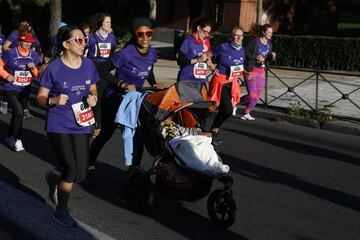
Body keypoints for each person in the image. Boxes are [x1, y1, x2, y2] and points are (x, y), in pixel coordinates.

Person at [36, 25, 99, 227]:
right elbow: (40, 98)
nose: (84, 43)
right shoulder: (53, 68)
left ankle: (57, 180)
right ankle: (61, 211)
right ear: (66, 44)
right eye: (79, 39)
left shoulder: (89, 64)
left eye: (84, 39)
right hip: (58, 123)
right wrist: (53, 101)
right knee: (71, 168)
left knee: (80, 173)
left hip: (81, 122)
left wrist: (93, 99)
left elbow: (93, 89)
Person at [86, 18, 162, 183]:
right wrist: (122, 84)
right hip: (114, 98)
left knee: (137, 136)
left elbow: (148, 70)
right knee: (106, 134)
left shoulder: (152, 53)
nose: (145, 37)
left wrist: (154, 83)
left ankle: (133, 173)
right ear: (135, 36)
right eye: (140, 34)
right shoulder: (126, 53)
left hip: (135, 99)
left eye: (148, 33)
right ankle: (89, 163)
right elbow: (102, 69)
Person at [0, 33, 41, 151]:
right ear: (19, 41)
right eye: (25, 41)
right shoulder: (11, 53)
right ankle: (17, 139)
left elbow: (38, 75)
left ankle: (9, 136)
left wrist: (33, 68)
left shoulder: (34, 55)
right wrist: (6, 75)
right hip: (11, 88)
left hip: (25, 90)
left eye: (30, 42)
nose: (28, 44)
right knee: (19, 112)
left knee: (18, 114)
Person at [208, 27, 245, 144]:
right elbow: (207, 55)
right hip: (220, 81)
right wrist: (212, 67)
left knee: (225, 109)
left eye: (241, 36)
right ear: (231, 36)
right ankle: (210, 131)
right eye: (236, 35)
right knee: (226, 109)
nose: (239, 38)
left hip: (232, 82)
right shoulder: (223, 47)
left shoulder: (242, 50)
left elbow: (239, 66)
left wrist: (245, 73)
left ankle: (213, 132)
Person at [86, 12, 118, 137]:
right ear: (101, 23)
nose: (110, 24)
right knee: (97, 98)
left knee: (106, 98)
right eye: (107, 22)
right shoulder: (92, 37)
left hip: (106, 70)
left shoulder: (112, 38)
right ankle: (97, 125)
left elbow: (113, 53)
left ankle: (101, 122)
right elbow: (85, 53)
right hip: (94, 69)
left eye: (110, 22)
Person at [3, 21, 42, 119]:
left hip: (25, 81)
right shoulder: (15, 34)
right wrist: (13, 55)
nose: (26, 26)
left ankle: (24, 109)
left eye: (28, 24)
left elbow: (37, 47)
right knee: (18, 110)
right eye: (23, 24)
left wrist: (34, 63)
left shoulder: (32, 35)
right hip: (13, 63)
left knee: (19, 111)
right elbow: (5, 47)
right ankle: (4, 100)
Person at [241, 23, 276, 120]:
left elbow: (266, 58)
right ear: (263, 32)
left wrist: (271, 56)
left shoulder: (269, 44)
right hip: (251, 70)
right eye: (268, 32)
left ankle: (246, 113)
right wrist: (256, 57)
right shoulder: (255, 42)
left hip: (261, 72)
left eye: (271, 32)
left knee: (257, 97)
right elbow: (245, 53)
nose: (270, 34)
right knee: (252, 95)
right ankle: (236, 103)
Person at [177, 17, 215, 83]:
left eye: (208, 33)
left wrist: (213, 69)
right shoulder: (188, 41)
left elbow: (207, 58)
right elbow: (180, 61)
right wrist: (197, 59)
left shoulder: (206, 42)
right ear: (199, 28)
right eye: (205, 32)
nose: (206, 35)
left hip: (200, 81)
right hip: (186, 80)